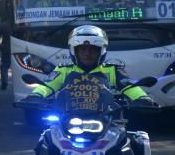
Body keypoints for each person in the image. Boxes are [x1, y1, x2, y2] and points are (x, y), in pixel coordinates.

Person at [22, 25, 155, 106]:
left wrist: (142, 98)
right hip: (68, 118)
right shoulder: (63, 70)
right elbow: (48, 86)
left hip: (108, 119)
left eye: (92, 50)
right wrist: (36, 96)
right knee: (47, 140)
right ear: (75, 51)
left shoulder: (113, 70)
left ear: (101, 51)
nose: (87, 53)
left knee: (132, 142)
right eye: (82, 50)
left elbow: (129, 86)